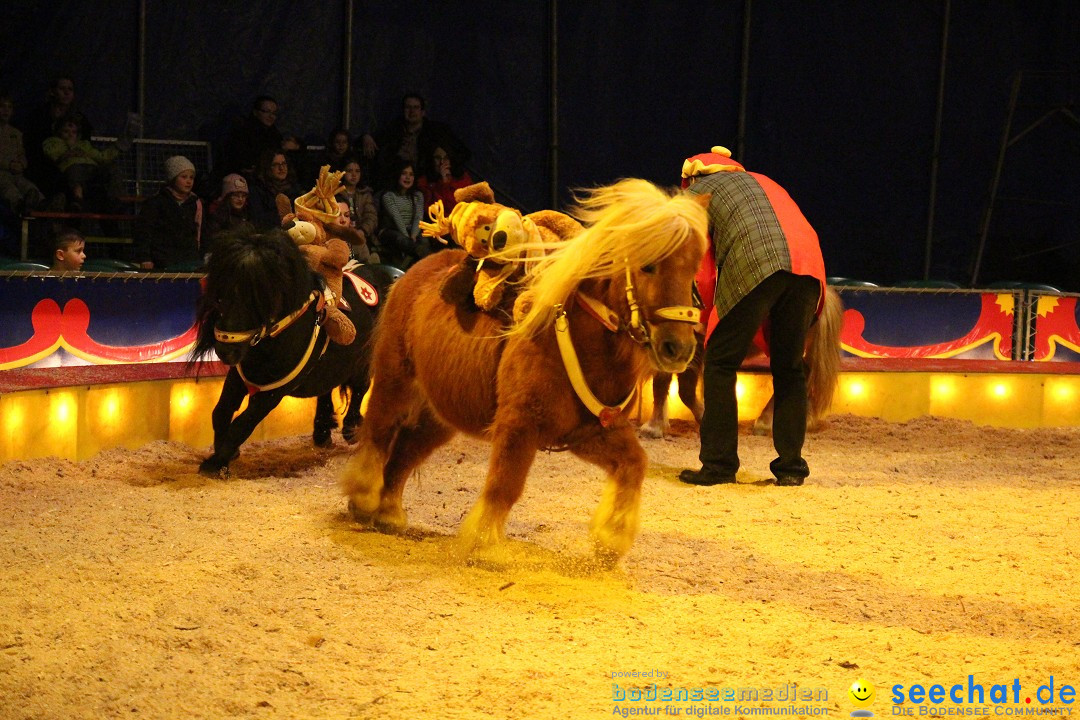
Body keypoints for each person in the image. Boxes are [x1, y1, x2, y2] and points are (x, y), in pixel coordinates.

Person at [677, 146, 826, 488]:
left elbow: (702, 268)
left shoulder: (697, 194)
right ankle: (791, 467)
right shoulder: (763, 181)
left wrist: (705, 317)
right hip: (808, 267)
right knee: (789, 368)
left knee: (719, 362)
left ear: (691, 177)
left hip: (755, 261)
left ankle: (718, 465)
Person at [361, 93, 469, 192]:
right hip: (394, 184)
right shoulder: (393, 130)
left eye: (416, 108)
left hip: (424, 184)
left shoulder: (436, 131)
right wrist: (366, 137)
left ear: (423, 112)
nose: (412, 111)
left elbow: (462, 153)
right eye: (408, 107)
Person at [21, 76, 94, 204]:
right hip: (46, 165)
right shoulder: (39, 116)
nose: (66, 92)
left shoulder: (81, 119)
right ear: (52, 92)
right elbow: (33, 147)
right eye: (62, 88)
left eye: (70, 89)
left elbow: (87, 143)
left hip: (76, 163)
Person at [132, 155, 203, 270]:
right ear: (173, 178)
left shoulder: (195, 203)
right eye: (184, 177)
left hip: (188, 261)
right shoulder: (156, 202)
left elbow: (198, 232)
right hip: (162, 261)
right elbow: (144, 231)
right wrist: (145, 257)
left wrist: (198, 256)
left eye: (191, 177)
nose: (189, 181)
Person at [41, 117, 121, 212]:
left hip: (91, 168)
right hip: (72, 167)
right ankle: (77, 200)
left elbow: (101, 157)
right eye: (66, 131)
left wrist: (119, 147)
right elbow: (52, 154)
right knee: (75, 170)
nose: (70, 135)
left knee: (111, 169)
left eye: (73, 132)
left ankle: (115, 201)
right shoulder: (54, 142)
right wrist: (70, 148)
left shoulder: (84, 145)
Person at [219, 95, 301, 179]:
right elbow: (242, 163)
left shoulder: (274, 133)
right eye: (266, 111)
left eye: (274, 113)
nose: (271, 116)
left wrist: (293, 147)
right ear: (255, 112)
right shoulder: (242, 132)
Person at [0, 94, 45, 215]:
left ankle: (40, 203)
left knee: (27, 185)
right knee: (7, 187)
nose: (6, 110)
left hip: (16, 173)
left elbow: (22, 153)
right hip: (2, 173)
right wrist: (8, 165)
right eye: (2, 107)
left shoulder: (16, 133)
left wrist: (21, 164)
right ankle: (19, 205)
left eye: (9, 107)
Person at [376, 159, 426, 268]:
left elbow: (419, 217)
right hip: (391, 230)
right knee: (402, 240)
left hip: (411, 231)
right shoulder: (388, 195)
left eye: (411, 174)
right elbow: (396, 217)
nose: (408, 177)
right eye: (404, 174)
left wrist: (413, 235)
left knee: (424, 240)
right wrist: (408, 238)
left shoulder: (418, 195)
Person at [247, 149, 300, 231]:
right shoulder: (257, 190)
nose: (281, 168)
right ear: (267, 167)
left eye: (284, 163)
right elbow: (258, 220)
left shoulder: (295, 189)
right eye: (275, 165)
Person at [417, 144, 473, 220]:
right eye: (438, 158)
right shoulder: (423, 182)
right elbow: (436, 213)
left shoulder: (463, 179)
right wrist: (443, 185)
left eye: (446, 158)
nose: (442, 162)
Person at [204, 173, 254, 254]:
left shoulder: (247, 213)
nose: (240, 199)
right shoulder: (219, 215)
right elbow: (214, 239)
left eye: (243, 195)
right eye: (236, 195)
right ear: (227, 196)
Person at [338, 158, 378, 256]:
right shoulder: (336, 193)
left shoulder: (365, 194)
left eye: (357, 171)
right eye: (349, 171)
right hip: (343, 232)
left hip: (362, 233)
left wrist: (363, 230)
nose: (354, 175)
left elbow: (371, 216)